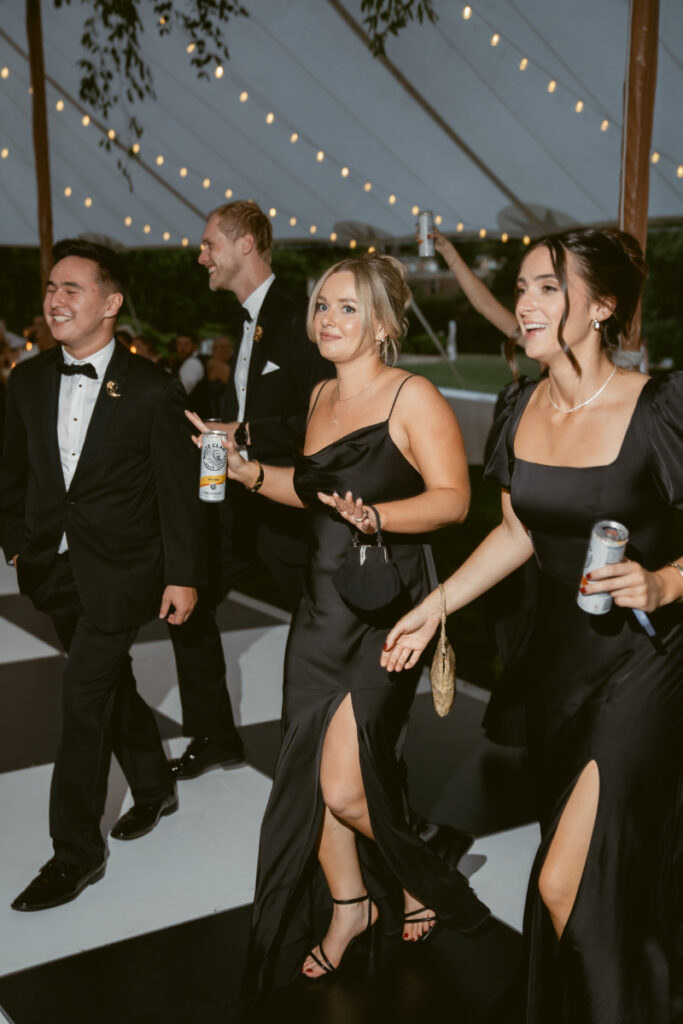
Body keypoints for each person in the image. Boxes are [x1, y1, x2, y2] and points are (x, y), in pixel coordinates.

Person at [383, 228, 683, 1022]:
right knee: (600, 881)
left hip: (645, 664)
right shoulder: (520, 406)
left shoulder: (659, 407)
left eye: (548, 287)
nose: (524, 303)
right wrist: (433, 606)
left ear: (602, 306)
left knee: (562, 880)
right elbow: (516, 534)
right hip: (558, 665)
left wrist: (663, 581)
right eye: (520, 288)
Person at [191, 252, 490, 995]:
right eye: (322, 305)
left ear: (383, 322)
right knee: (308, 775)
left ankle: (421, 876)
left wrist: (377, 516)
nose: (327, 318)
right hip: (319, 606)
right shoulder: (322, 393)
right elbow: (311, 489)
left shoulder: (413, 396)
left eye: (347, 307)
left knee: (347, 790)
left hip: (385, 607)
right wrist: (248, 473)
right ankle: (350, 908)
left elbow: (454, 500)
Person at [0, 239, 205, 911]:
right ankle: (154, 785)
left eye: (72, 289)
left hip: (123, 572)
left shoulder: (151, 388)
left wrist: (182, 575)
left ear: (111, 303)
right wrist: (15, 545)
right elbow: (12, 471)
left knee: (82, 698)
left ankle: (75, 854)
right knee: (111, 683)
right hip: (52, 569)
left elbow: (178, 494)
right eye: (51, 288)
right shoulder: (28, 379)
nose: (55, 300)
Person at [167, 200, 332, 781]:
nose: (201, 256)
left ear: (246, 244)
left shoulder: (300, 316)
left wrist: (243, 432)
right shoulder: (244, 322)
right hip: (239, 500)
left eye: (209, 243)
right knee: (185, 600)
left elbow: (323, 417)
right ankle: (214, 735)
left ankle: (334, 758)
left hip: (290, 505)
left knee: (322, 632)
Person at [172, 331, 205, 395]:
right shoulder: (186, 361)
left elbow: (181, 391)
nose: (182, 348)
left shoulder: (192, 363)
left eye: (186, 344)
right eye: (179, 344)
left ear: (195, 346)